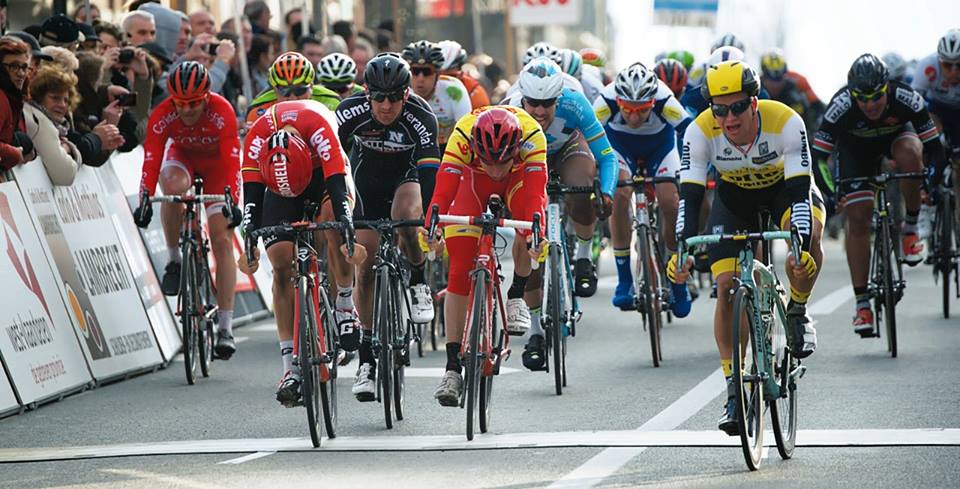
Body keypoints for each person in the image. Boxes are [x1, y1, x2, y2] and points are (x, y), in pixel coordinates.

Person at [672, 60, 823, 435]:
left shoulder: (785, 122)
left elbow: (799, 195)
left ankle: (798, 310)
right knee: (726, 287)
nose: (729, 117)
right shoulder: (699, 131)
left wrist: (800, 247)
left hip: (786, 191)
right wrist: (681, 251)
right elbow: (689, 199)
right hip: (735, 199)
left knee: (807, 242)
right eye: (719, 109)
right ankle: (734, 390)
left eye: (737, 107)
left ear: (754, 103)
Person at [239, 99, 362, 406]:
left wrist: (346, 225)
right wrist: (250, 236)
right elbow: (251, 195)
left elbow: (338, 183)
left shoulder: (318, 127)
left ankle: (345, 305)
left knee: (334, 224)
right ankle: (289, 369)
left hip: (324, 175)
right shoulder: (257, 137)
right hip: (279, 185)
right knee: (281, 263)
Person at [815, 54, 948, 335]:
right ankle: (862, 303)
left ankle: (910, 228)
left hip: (896, 138)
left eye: (876, 96)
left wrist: (930, 183)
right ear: (852, 95)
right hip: (855, 151)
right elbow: (818, 158)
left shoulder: (906, 98)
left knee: (911, 154)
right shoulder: (840, 106)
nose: (870, 104)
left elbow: (935, 149)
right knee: (858, 219)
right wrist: (831, 192)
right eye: (862, 99)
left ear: (887, 88)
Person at [425, 106, 548, 405]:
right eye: (488, 161)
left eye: (501, 162)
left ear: (515, 150)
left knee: (527, 227)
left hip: (518, 180)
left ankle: (516, 294)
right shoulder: (462, 135)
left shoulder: (533, 136)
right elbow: (442, 193)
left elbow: (535, 197)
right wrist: (431, 228)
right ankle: (452, 369)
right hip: (472, 182)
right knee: (458, 271)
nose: (495, 170)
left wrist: (536, 236)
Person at [334, 53, 439, 401]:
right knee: (364, 264)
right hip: (365, 182)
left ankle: (418, 279)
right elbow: (331, 162)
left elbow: (429, 173)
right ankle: (366, 358)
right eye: (378, 97)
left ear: (406, 94)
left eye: (394, 97)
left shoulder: (421, 115)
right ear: (367, 93)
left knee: (407, 216)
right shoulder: (349, 111)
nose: (386, 105)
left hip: (406, 178)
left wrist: (430, 219)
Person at [503, 57, 617, 368]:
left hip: (567, 149)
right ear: (522, 98)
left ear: (559, 97)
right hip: (527, 158)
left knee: (581, 188)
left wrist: (606, 192)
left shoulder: (575, 104)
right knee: (528, 239)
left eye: (548, 104)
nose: (540, 111)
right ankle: (535, 331)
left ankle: (583, 256)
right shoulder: (509, 111)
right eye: (533, 103)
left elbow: (607, 156)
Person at [133, 61, 243, 359]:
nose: (187, 109)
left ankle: (225, 327)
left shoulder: (222, 111)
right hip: (182, 158)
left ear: (207, 97)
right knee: (171, 190)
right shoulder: (163, 113)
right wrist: (145, 198)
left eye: (194, 103)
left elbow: (232, 161)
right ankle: (174, 259)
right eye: (180, 103)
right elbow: (151, 159)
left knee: (222, 240)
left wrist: (232, 200)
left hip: (217, 167)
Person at [594, 63, 692, 313]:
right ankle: (625, 280)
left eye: (643, 110)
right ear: (618, 101)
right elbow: (586, 133)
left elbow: (690, 132)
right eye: (627, 110)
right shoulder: (605, 100)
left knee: (670, 202)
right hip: (620, 146)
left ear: (653, 102)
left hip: (660, 147)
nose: (634, 117)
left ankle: (677, 280)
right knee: (619, 195)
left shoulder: (665, 99)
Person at [912, 29, 960, 241]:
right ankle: (924, 204)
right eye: (947, 65)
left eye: (959, 65)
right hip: (935, 111)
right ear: (939, 61)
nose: (954, 71)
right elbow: (912, 106)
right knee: (923, 142)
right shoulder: (927, 67)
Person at [401, 40, 471, 146]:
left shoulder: (454, 90)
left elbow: (466, 129)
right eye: (415, 71)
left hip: (448, 147)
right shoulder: (401, 91)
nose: (420, 78)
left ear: (438, 75)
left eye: (426, 72)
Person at [246, 51, 340, 126]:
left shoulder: (332, 102)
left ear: (311, 86)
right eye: (284, 91)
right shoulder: (257, 110)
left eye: (299, 90)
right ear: (274, 90)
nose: (293, 98)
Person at [23, 65, 81, 184]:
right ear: (39, 97)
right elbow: (65, 174)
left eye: (66, 100)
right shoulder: (39, 121)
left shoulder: (45, 120)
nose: (62, 105)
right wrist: (68, 148)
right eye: (55, 98)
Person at [760, 49, 825, 133]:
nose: (775, 85)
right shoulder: (755, 90)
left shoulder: (798, 85)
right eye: (771, 80)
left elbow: (819, 108)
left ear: (785, 75)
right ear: (763, 77)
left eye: (779, 79)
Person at [0, 37, 36, 170]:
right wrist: (14, 154)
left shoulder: (12, 97)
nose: (21, 73)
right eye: (14, 66)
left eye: (24, 67)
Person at [438, 39, 490, 110]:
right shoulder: (423, 89)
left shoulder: (474, 92)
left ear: (461, 73)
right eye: (439, 77)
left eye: (451, 76)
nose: (444, 82)